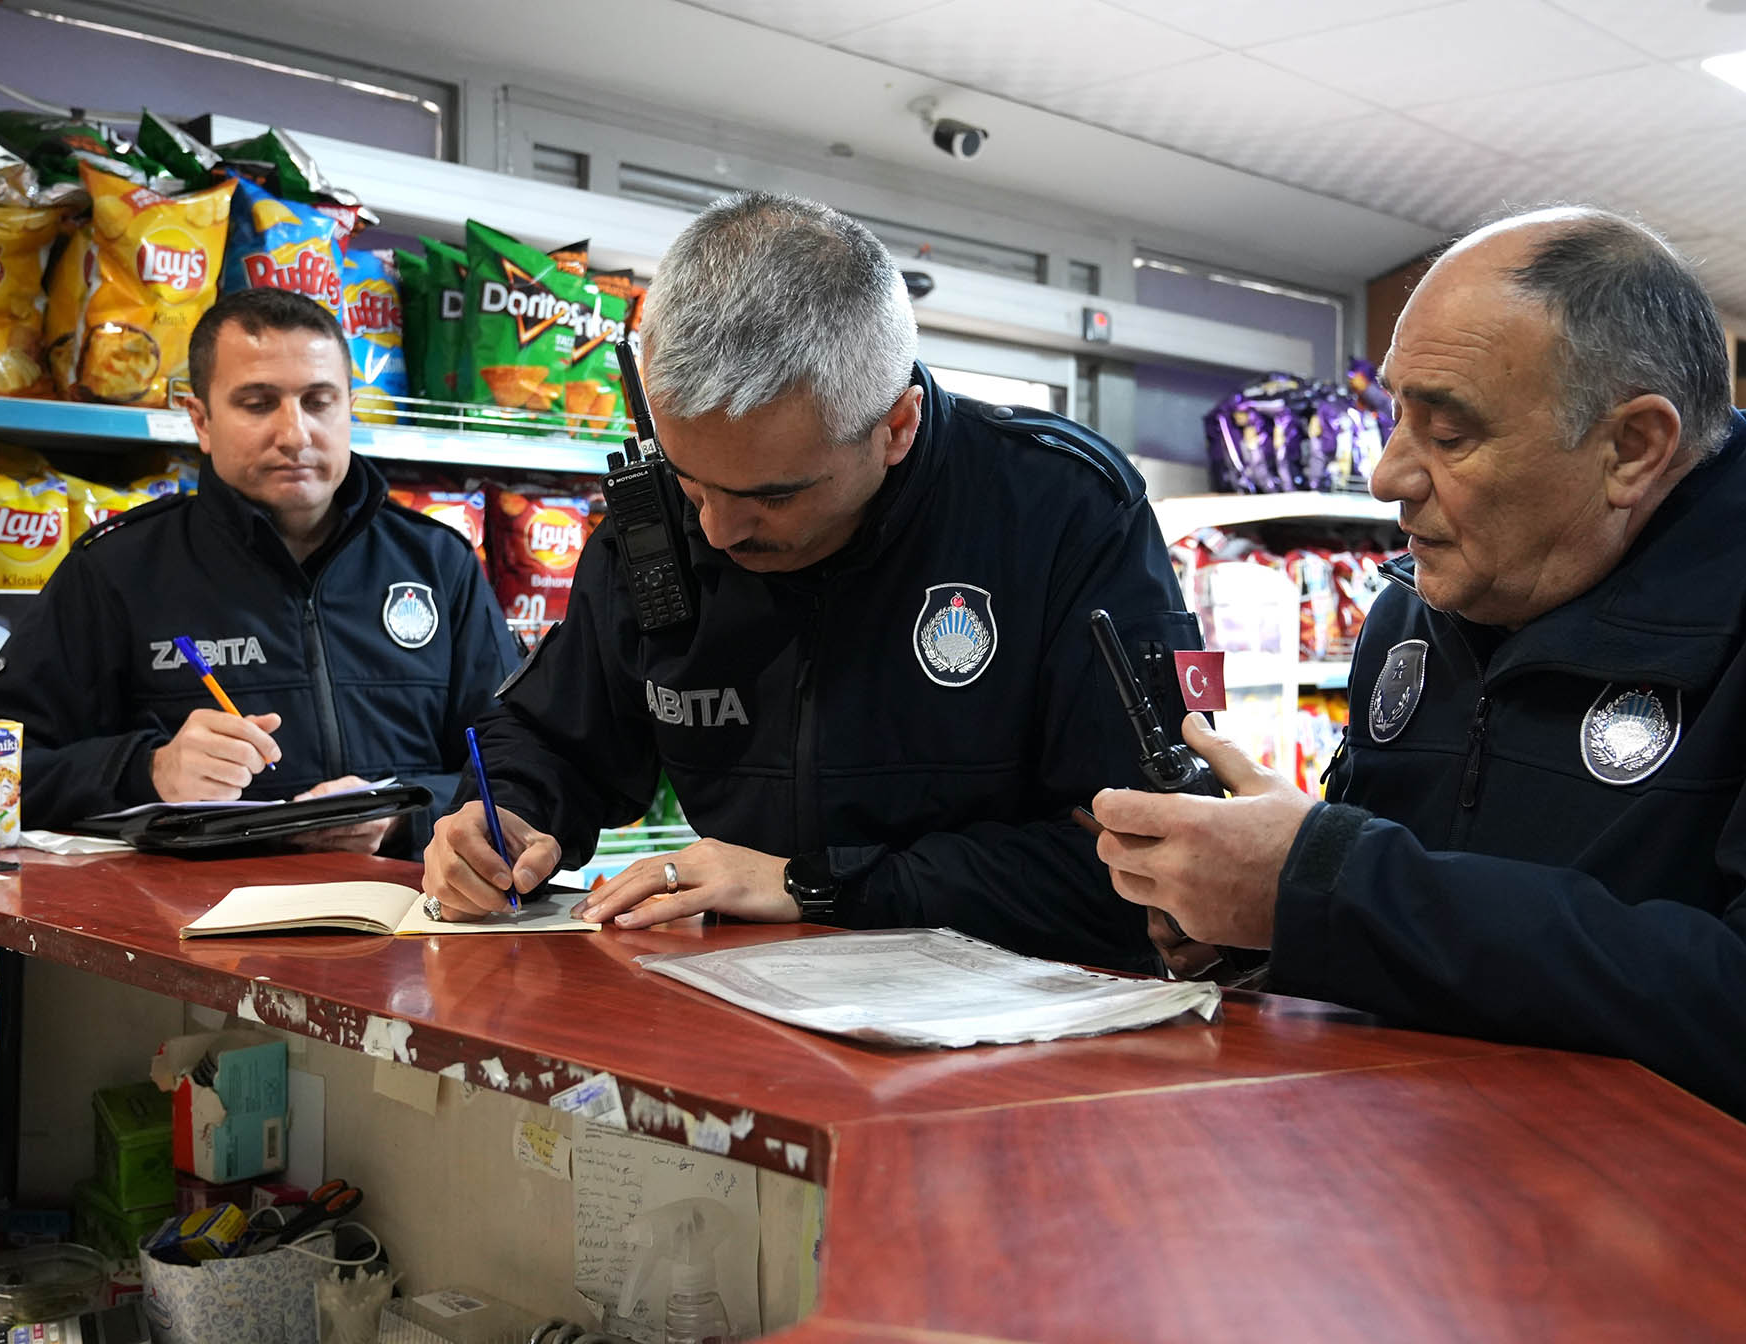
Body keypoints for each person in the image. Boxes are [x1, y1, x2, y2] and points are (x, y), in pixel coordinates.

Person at [1089, 207, 1746, 1234]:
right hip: (1441, 1233)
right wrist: (1249, 921)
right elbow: (1424, 937)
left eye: (1450, 431)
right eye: (1396, 419)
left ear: (1634, 446)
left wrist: (1327, 884)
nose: (1388, 475)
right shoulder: (1422, 602)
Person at [421, 190, 1199, 972]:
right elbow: (556, 735)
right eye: (694, 480)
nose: (718, 531)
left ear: (896, 427)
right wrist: (502, 816)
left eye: (774, 495)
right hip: (744, 1010)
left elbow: (1148, 863)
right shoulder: (655, 523)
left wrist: (815, 884)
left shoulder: (1065, 510)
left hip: (1028, 1035)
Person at [0, 287, 517, 855]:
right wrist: (148, 771)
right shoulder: (118, 569)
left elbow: (520, 770)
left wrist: (403, 815)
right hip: (181, 933)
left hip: (411, 924)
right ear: (200, 419)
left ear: (350, 408)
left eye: (319, 401)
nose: (295, 434)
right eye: (257, 402)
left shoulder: (440, 564)